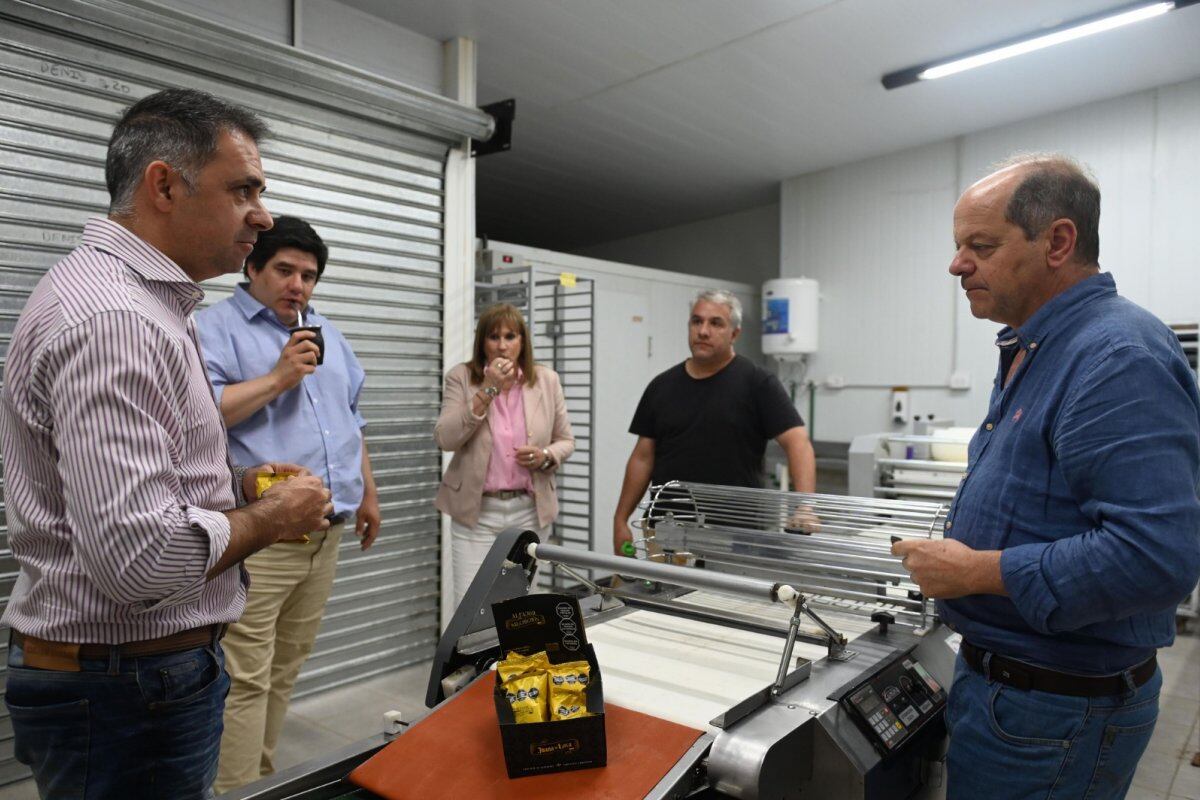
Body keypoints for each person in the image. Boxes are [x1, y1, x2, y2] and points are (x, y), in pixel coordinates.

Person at [0, 89, 333, 800]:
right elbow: (140, 561)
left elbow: (137, 481)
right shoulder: (117, 318)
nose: (263, 216)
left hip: (131, 678)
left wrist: (235, 486)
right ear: (163, 185)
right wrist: (272, 518)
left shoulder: (144, 302)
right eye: (243, 189)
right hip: (127, 686)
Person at [893, 154, 1200, 799]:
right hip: (1014, 693)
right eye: (958, 246)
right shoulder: (1035, 347)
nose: (957, 264)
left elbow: (1155, 558)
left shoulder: (1115, 356)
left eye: (981, 245)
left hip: (1055, 713)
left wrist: (975, 571)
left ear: (1058, 241)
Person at [195, 215, 380, 792]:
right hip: (262, 534)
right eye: (284, 270)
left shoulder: (329, 333)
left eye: (309, 275)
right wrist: (279, 376)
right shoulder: (213, 329)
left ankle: (261, 781)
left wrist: (368, 495)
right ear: (252, 267)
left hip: (326, 533)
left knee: (284, 668)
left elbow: (351, 422)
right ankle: (234, 790)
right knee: (245, 676)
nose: (297, 284)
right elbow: (197, 418)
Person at [612, 289, 817, 554]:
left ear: (734, 334)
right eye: (697, 321)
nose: (703, 331)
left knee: (724, 596)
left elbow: (798, 443)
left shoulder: (757, 382)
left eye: (715, 323)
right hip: (669, 528)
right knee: (665, 595)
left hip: (735, 532)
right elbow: (643, 456)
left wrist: (806, 507)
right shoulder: (661, 386)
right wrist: (620, 518)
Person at [435, 303, 574, 604]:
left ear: (522, 341)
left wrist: (545, 455)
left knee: (518, 607)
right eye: (493, 336)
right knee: (470, 606)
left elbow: (566, 440)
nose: (502, 345)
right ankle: (477, 654)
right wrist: (487, 389)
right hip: (477, 513)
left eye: (510, 336)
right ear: (482, 342)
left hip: (528, 510)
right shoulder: (461, 378)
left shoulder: (546, 381)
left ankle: (515, 654)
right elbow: (445, 438)